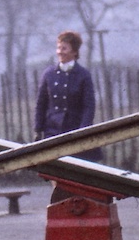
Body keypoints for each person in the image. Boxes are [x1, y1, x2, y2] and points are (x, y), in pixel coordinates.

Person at [34, 31, 103, 162]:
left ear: (74, 52)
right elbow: (41, 103)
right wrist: (38, 128)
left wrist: (83, 131)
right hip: (52, 131)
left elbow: (89, 106)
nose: (60, 52)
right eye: (59, 47)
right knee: (53, 168)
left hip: (74, 130)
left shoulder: (83, 75)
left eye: (64, 48)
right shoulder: (48, 74)